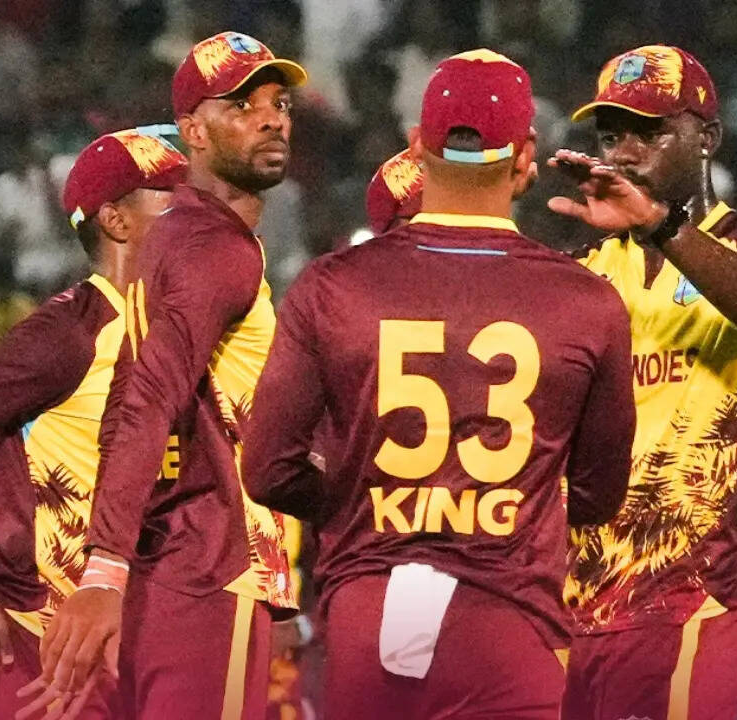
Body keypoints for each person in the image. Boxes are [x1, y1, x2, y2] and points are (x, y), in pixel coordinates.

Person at [242, 49, 635, 720]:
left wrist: (366, 500)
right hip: (510, 621)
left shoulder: (332, 286)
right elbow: (598, 497)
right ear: (525, 156)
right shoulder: (587, 301)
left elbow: (268, 469)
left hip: (370, 611)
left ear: (417, 147)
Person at [28, 32, 308, 719]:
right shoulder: (216, 247)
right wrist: (105, 566)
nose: (271, 119)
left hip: (169, 564)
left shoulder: (178, 235)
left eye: (279, 103)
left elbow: (135, 397)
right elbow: (149, 399)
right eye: (241, 105)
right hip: (212, 566)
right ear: (194, 132)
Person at [545, 45, 737, 720]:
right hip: (561, 611)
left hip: (687, 609)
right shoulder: (579, 272)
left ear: (709, 138)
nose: (626, 152)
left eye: (651, 132)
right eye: (612, 137)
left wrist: (661, 227)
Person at [0, 126, 187, 719]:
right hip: (47, 642)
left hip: (135, 627)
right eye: (171, 198)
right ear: (116, 221)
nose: (194, 214)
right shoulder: (70, 332)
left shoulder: (175, 326)